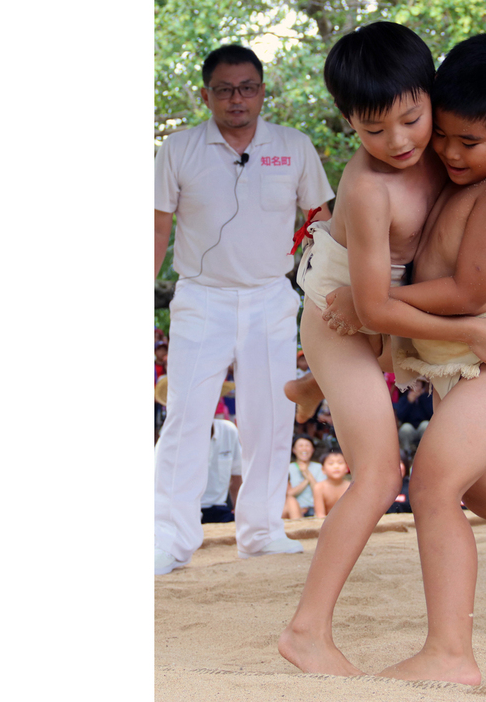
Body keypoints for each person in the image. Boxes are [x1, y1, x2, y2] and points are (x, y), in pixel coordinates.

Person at [278, 22, 486, 678]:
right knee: (379, 475)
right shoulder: (373, 184)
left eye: (411, 119)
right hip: (344, 312)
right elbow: (369, 306)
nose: (399, 142)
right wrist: (476, 332)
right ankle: (306, 631)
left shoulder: (445, 143)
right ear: (349, 124)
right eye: (375, 130)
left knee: (481, 489)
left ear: (429, 99)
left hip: (393, 308)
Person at [153, 43, 335, 575]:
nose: (238, 99)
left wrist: (325, 290)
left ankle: (261, 529)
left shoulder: (293, 146)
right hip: (201, 296)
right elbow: (157, 226)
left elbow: (321, 217)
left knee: (272, 415)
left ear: (262, 91)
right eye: (226, 89)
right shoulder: (178, 149)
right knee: (185, 417)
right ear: (206, 94)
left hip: (271, 295)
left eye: (248, 88)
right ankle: (169, 535)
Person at [200, 418, 244, 523]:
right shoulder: (177, 434)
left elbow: (236, 478)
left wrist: (240, 515)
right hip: (185, 511)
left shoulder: (229, 430)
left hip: (219, 509)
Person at [393, 378, 434, 456]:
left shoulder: (427, 397)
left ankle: (426, 453)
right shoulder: (404, 399)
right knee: (405, 428)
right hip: (409, 427)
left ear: (422, 386)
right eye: (414, 384)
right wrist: (409, 402)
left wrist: (421, 398)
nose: (416, 387)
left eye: (418, 385)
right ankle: (407, 453)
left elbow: (431, 414)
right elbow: (400, 415)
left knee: (425, 425)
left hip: (422, 426)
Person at [287, 435, 325, 517]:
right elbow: (289, 494)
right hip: (296, 510)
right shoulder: (289, 468)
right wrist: (306, 480)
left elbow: (321, 493)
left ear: (312, 450)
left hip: (316, 510)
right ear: (294, 450)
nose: (304, 449)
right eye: (300, 446)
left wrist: (306, 472)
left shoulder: (320, 467)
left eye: (307, 446)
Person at [312, 449, 352, 518]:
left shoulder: (351, 486)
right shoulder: (319, 487)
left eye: (340, 462)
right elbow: (320, 514)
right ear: (323, 469)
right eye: (331, 463)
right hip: (326, 524)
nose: (336, 466)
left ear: (346, 468)